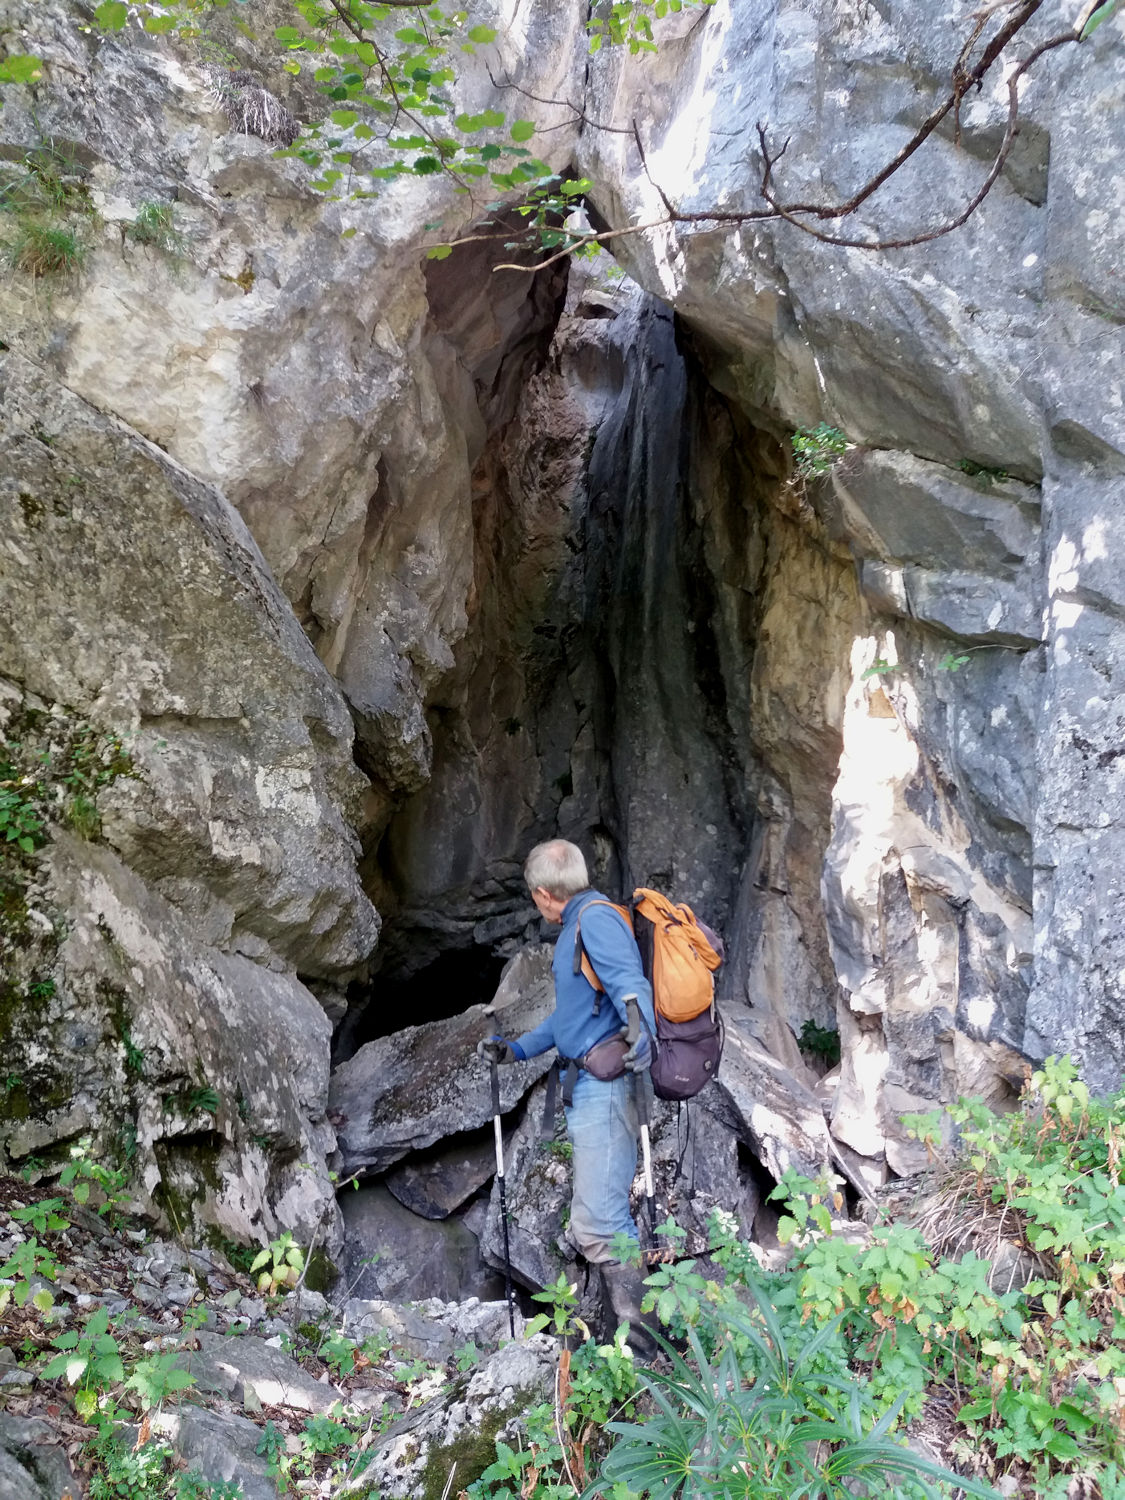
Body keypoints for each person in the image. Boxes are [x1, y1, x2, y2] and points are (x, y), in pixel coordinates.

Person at [477, 839, 660, 1358]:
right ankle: (622, 1348)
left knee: (602, 1222)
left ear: (542, 894)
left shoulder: (595, 921)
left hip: (608, 1087)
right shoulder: (579, 925)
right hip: (590, 1086)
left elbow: (630, 984)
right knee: (593, 1221)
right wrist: (516, 1049)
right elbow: (569, 1019)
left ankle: (644, 1356)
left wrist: (641, 1030)